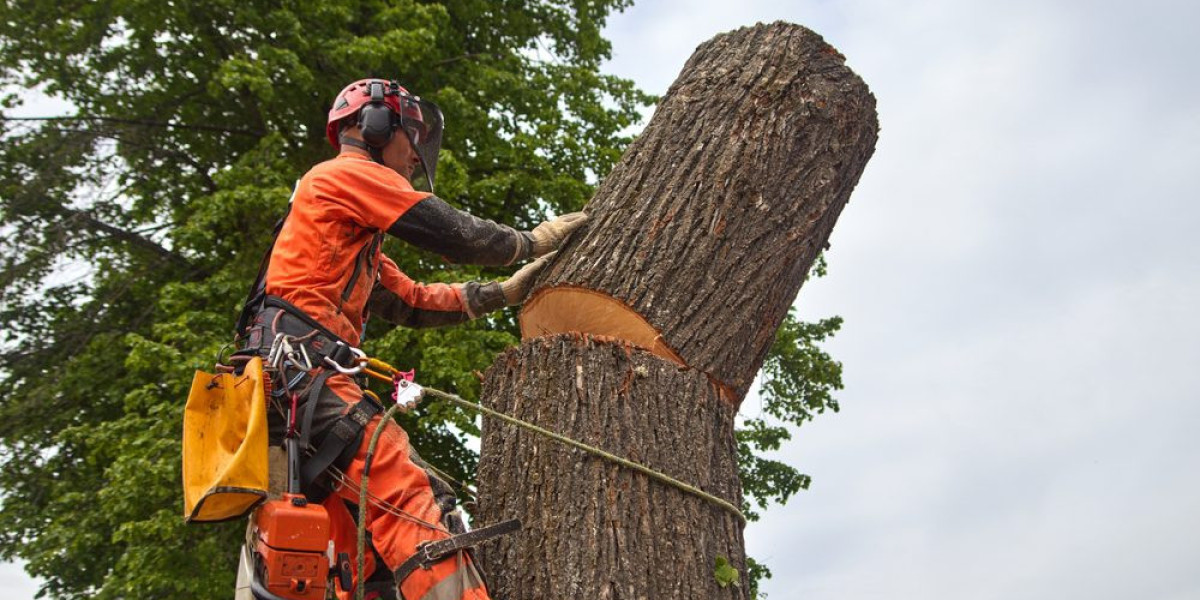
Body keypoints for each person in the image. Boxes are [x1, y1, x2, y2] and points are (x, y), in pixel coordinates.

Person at [237, 78, 586, 600]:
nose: (412, 157)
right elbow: (451, 231)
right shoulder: (345, 175)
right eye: (410, 139)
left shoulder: (339, 226)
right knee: (410, 496)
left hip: (292, 384)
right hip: (304, 375)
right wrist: (529, 242)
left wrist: (500, 294)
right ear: (374, 125)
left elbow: (410, 300)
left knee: (349, 543)